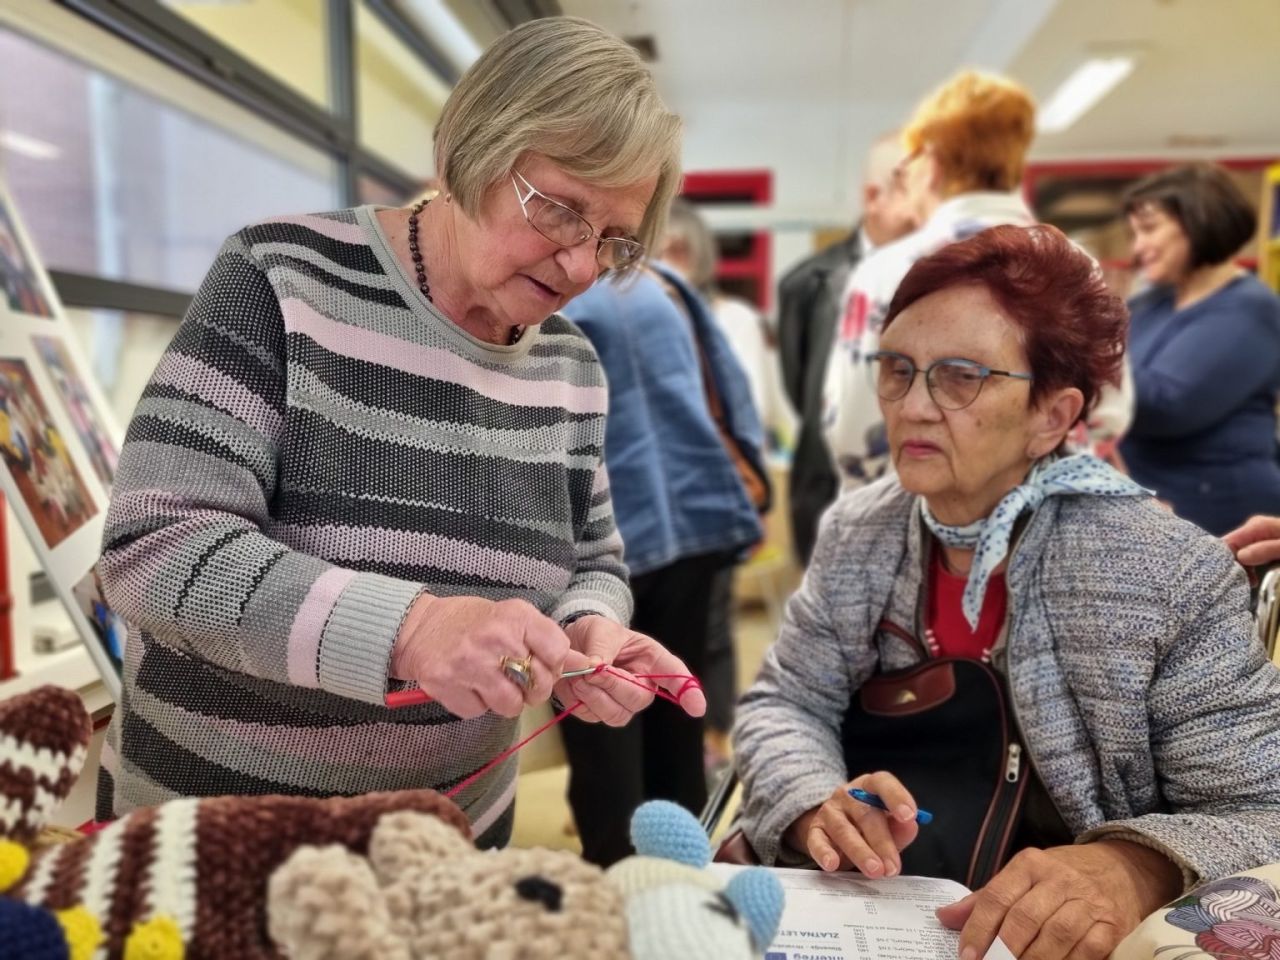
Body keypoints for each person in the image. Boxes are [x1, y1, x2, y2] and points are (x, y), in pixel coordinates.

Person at [95, 17, 706, 845]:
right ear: (470, 149)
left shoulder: (571, 365)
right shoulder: (280, 280)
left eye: (614, 240)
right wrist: (412, 631)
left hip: (443, 855)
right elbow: (154, 548)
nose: (581, 268)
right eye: (560, 211)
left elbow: (592, 559)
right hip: (222, 853)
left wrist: (583, 633)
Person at [734, 225, 1280, 960]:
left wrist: (1132, 864)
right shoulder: (860, 532)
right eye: (897, 369)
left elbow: (1260, 804)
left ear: (1052, 416)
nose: (914, 406)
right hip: (867, 904)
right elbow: (787, 700)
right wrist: (808, 800)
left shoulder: (1165, 573)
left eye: (961, 376)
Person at [822, 70, 1132, 490]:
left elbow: (851, 434)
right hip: (1059, 508)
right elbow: (1108, 408)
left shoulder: (888, 270)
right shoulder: (1079, 265)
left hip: (920, 516)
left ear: (929, 165)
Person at [559, 243, 766, 866]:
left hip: (605, 530)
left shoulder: (556, 294)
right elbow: (733, 392)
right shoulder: (664, 283)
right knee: (677, 716)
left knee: (604, 727)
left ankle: (622, 889)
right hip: (693, 511)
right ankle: (688, 878)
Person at [776, 132, 918, 563]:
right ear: (876, 196)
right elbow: (804, 390)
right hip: (831, 488)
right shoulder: (809, 283)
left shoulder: (950, 273)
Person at [1120, 163, 1280, 535]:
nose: (1137, 247)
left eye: (1148, 229)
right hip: (1154, 502)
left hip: (1223, 515)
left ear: (1197, 219)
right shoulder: (1153, 304)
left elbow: (1166, 405)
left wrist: (1080, 361)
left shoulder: (1250, 309)